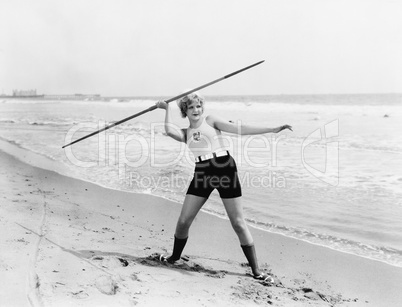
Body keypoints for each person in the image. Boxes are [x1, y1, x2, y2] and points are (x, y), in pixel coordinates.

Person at [155, 92, 292, 283]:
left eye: (198, 106)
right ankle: (174, 257)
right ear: (185, 111)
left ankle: (256, 271)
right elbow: (169, 131)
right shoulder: (185, 133)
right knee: (184, 221)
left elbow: (240, 128)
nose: (196, 110)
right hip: (202, 172)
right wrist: (166, 109)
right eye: (191, 107)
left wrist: (272, 129)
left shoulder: (210, 121)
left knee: (237, 222)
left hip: (224, 168)